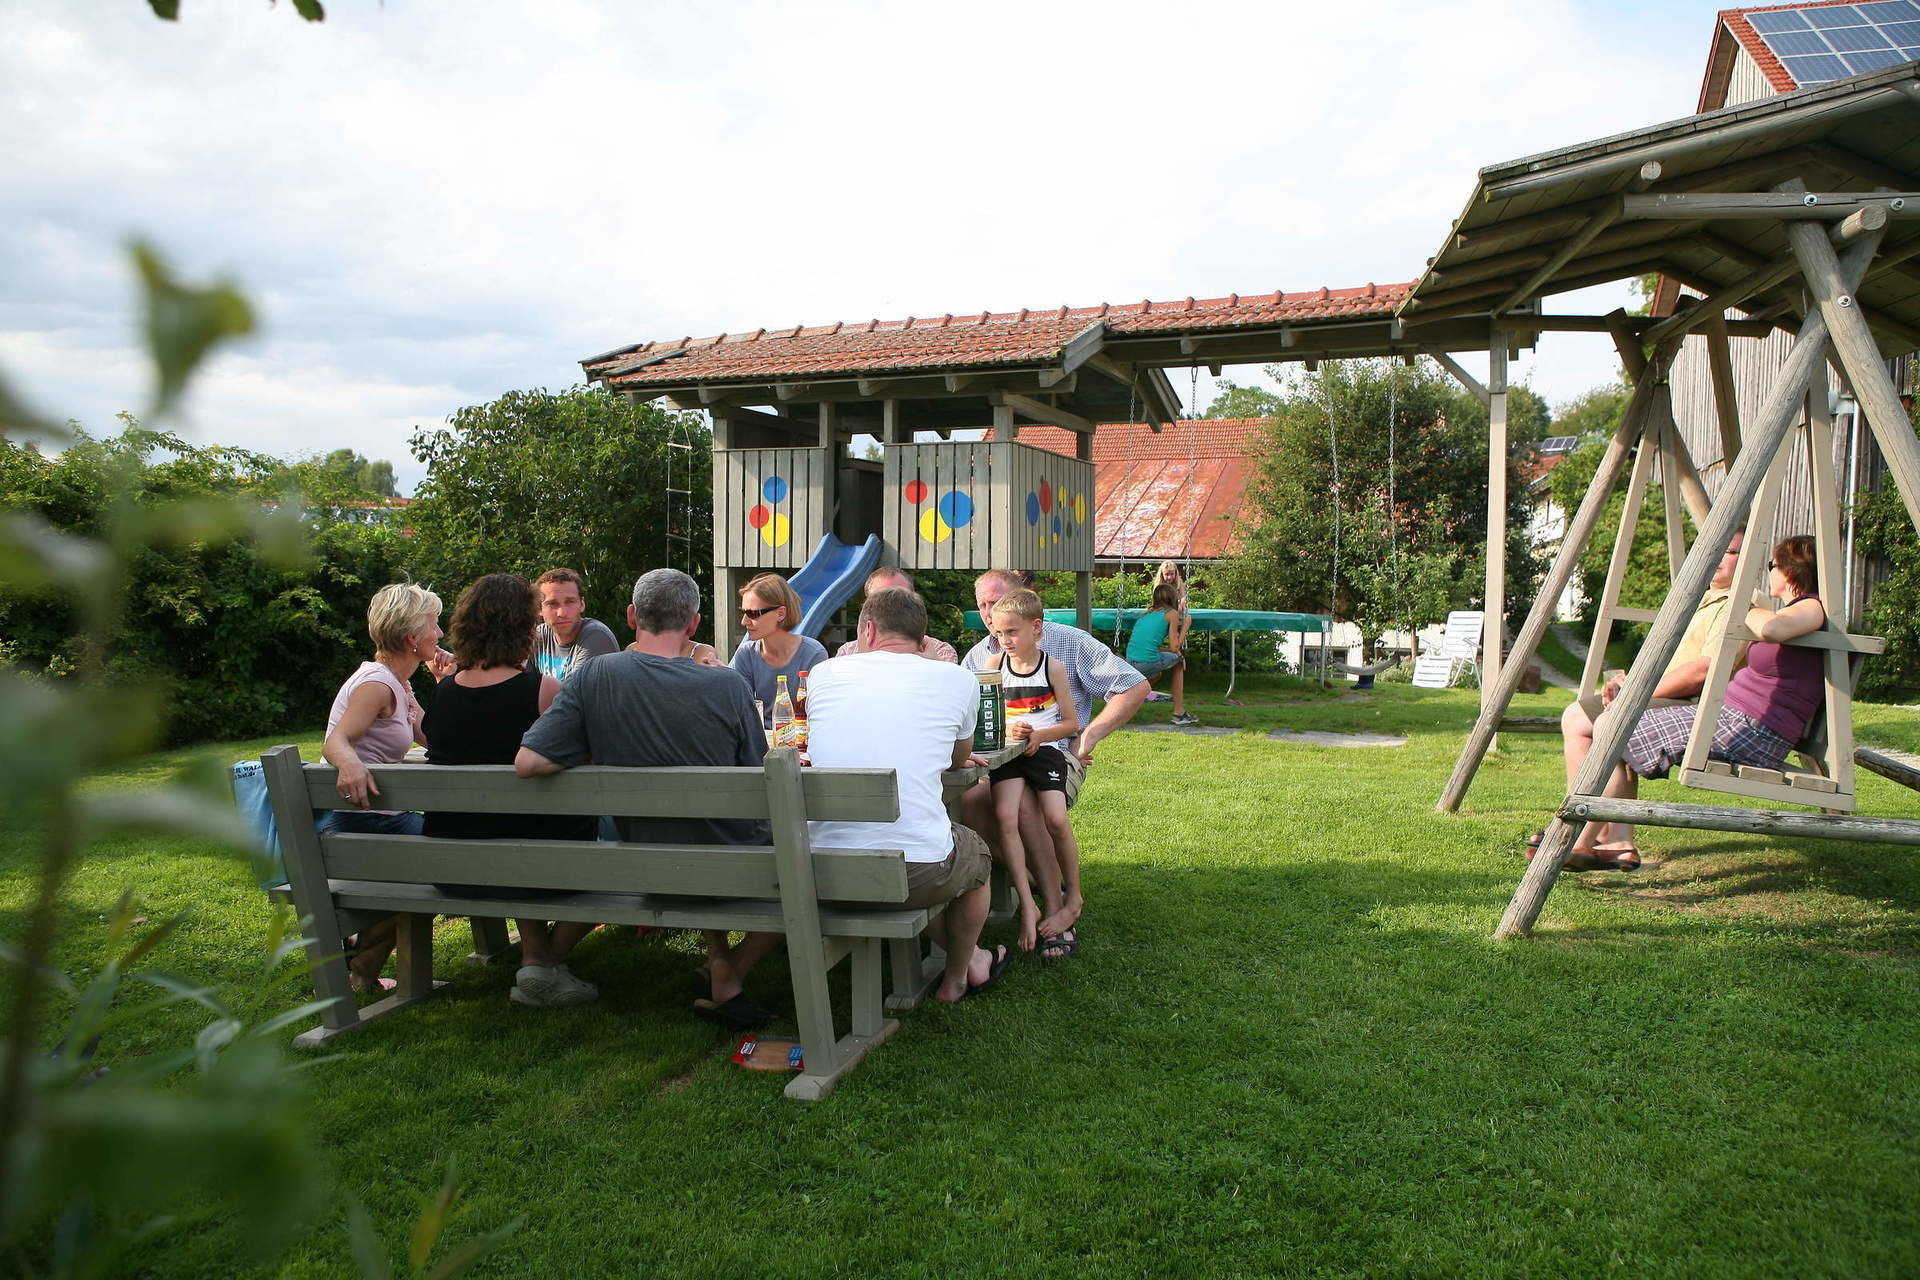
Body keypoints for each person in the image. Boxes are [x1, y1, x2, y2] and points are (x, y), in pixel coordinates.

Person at [515, 568, 781, 1029]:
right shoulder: (727, 684)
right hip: (730, 869)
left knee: (691, 833)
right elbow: (760, 781)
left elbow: (529, 762)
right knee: (781, 843)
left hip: (642, 863)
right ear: (694, 623)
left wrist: (597, 745)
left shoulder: (594, 675)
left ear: (632, 616)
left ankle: (721, 965)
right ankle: (726, 968)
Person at [1572, 535, 1826, 872]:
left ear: (1791, 571)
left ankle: (1579, 839)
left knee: (1613, 725)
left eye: (1772, 565)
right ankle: (1589, 838)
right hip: (1734, 719)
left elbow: (1773, 630)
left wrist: (1742, 607)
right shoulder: (1795, 610)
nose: (1769, 572)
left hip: (1752, 731)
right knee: (1613, 721)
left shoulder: (1812, 607)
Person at [807, 588, 1012, 1001]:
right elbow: (958, 757)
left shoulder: (823, 674)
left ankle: (967, 961)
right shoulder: (957, 679)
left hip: (819, 869)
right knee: (973, 855)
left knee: (924, 843)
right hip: (913, 874)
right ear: (922, 640)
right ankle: (961, 973)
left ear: (867, 631)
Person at [421, 573, 600, 1008]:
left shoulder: (443, 694)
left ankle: (538, 957)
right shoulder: (543, 690)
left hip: (455, 863)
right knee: (605, 841)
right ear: (524, 628)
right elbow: (587, 761)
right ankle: (544, 961)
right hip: (537, 862)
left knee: (515, 832)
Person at [962, 568, 1149, 959]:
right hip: (999, 761)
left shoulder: (1068, 643)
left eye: (997, 601)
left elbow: (1134, 685)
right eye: (983, 604)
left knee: (1026, 806)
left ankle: (1055, 907)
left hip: (1056, 753)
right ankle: (1036, 884)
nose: (989, 612)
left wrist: (1087, 737)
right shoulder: (980, 657)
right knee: (968, 803)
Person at [1539, 530, 1748, 865]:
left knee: (1605, 723)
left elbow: (1704, 670)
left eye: (1732, 552)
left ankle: (1581, 829)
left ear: (1750, 559)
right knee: (1581, 717)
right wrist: (1631, 681)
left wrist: (1636, 692)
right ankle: (1617, 839)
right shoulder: (1706, 600)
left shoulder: (1738, 607)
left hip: (1695, 704)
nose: (1720, 557)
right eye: (1716, 549)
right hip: (1672, 695)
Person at [321, 582, 455, 992]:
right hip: (363, 823)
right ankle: (363, 965)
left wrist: (444, 683)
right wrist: (349, 765)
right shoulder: (377, 685)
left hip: (376, 820)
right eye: (435, 624)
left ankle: (361, 966)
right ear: (413, 637)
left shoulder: (399, 683)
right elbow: (335, 742)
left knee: (457, 853)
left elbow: (438, 739)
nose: (441, 633)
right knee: (461, 858)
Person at [979, 589, 1082, 954]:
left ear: (1036, 628)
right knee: (1006, 816)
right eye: (999, 633)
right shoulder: (993, 666)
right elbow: (986, 716)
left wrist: (1038, 735)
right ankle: (1027, 904)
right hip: (1009, 756)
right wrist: (1009, 729)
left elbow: (1070, 722)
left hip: (1044, 752)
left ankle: (1074, 897)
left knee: (1056, 819)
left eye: (1012, 632)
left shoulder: (1051, 667)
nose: (1005, 640)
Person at [729, 572, 828, 726]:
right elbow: (738, 707)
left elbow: (819, 714)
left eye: (753, 613)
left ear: (780, 613)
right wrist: (722, 677)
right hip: (759, 736)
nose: (744, 621)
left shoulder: (813, 654)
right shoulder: (746, 653)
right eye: (744, 612)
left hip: (801, 736)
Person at [834, 567, 959, 662]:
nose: (892, 605)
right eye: (880, 599)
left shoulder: (940, 652)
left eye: (902, 597)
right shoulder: (848, 652)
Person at [1127, 581, 1198, 726]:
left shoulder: (1145, 615)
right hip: (1146, 662)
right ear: (1173, 599)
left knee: (1156, 674)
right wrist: (1185, 627)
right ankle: (1179, 713)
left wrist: (1174, 652)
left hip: (1130, 662)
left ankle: (1131, 702)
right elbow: (1174, 647)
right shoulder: (1171, 614)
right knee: (1178, 661)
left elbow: (1149, 647)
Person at [530, 568, 619, 682]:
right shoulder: (538, 636)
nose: (562, 613)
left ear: (582, 604)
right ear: (539, 609)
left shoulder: (596, 636)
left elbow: (576, 691)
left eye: (570, 602)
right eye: (552, 604)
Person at [1141, 562, 1190, 704]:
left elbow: (1183, 597)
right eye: (1167, 574)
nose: (1169, 577)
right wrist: (1185, 626)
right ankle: (1178, 707)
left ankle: (1176, 702)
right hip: (1165, 611)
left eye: (1171, 574)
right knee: (1175, 656)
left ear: (1175, 573)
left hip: (1173, 611)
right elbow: (1159, 603)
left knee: (1173, 652)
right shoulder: (1159, 586)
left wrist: (1182, 602)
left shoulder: (1178, 582)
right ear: (1162, 574)